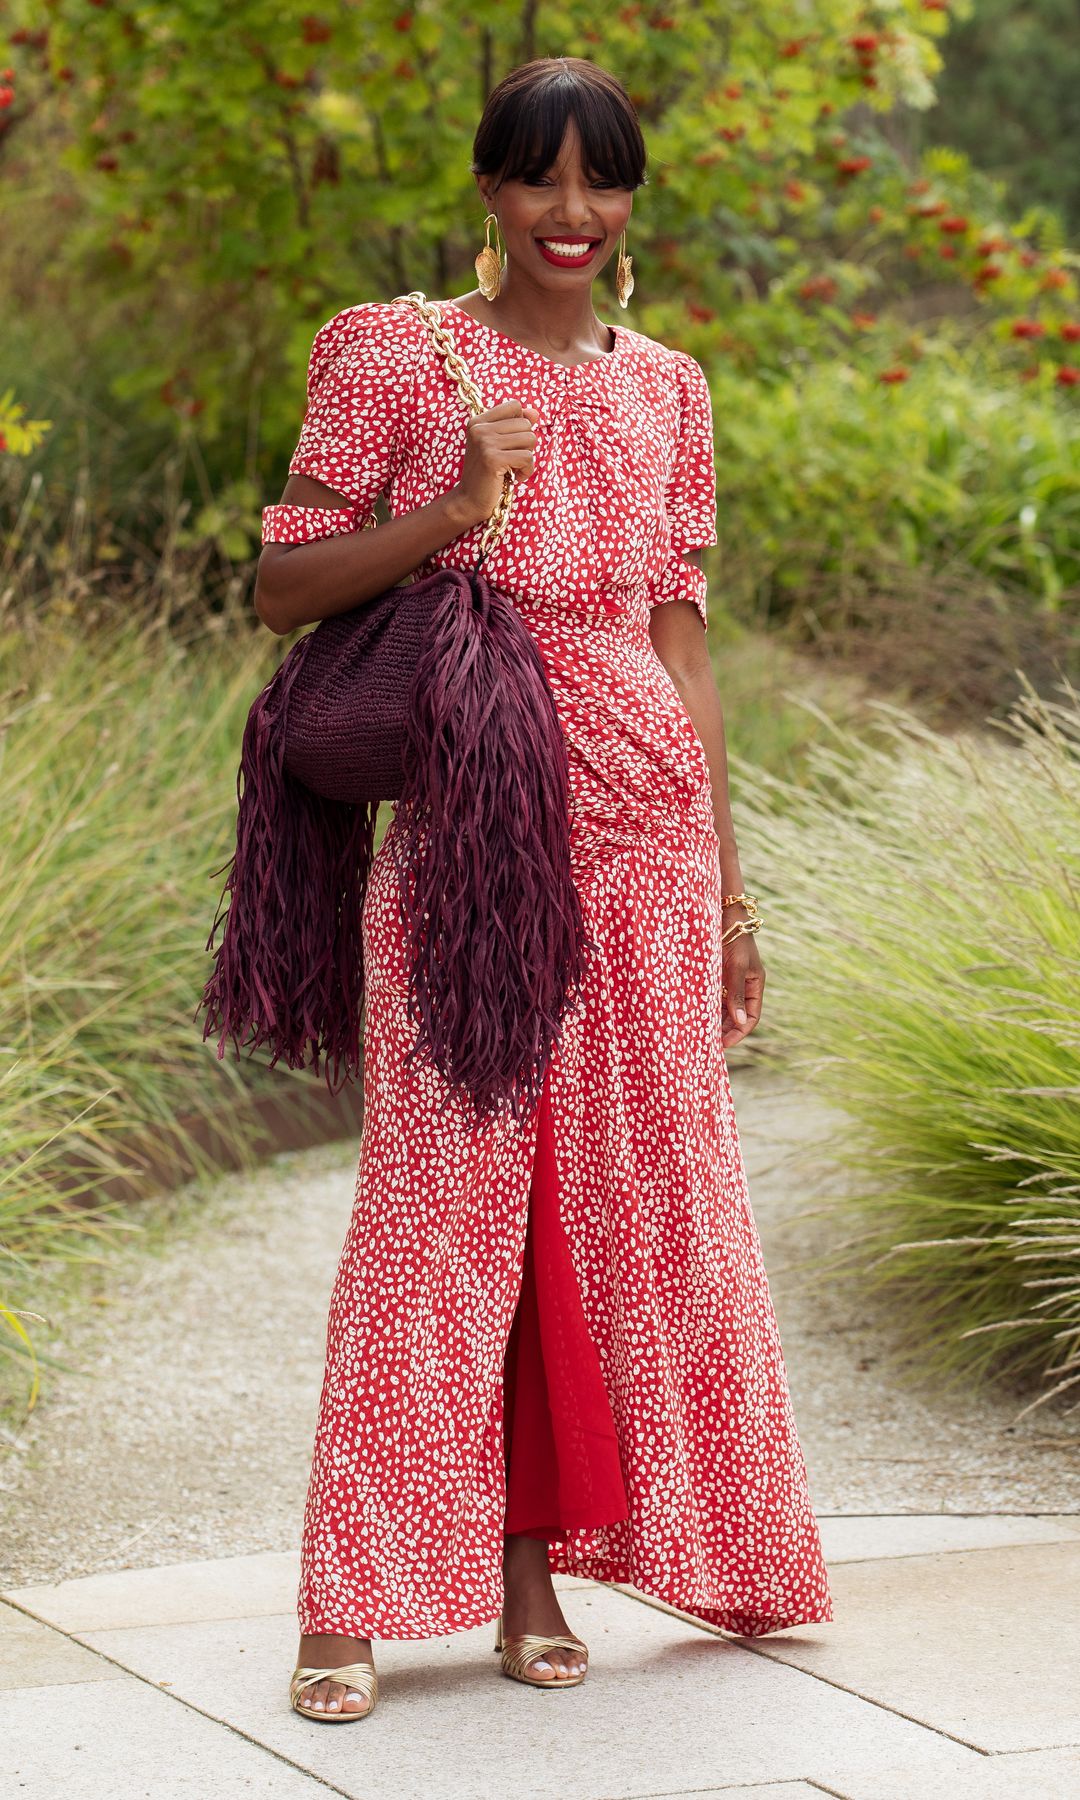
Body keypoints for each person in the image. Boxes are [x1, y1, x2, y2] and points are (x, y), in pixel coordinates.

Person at [254, 55, 833, 1722]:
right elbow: (280, 584)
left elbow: (680, 640)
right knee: (439, 1210)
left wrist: (730, 890)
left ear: (630, 200)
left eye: (603, 184)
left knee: (625, 1211)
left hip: (648, 841)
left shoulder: (673, 388)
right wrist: (457, 504)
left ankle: (533, 1574)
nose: (571, 216)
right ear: (488, 194)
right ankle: (347, 1603)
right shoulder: (397, 349)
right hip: (474, 836)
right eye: (538, 181)